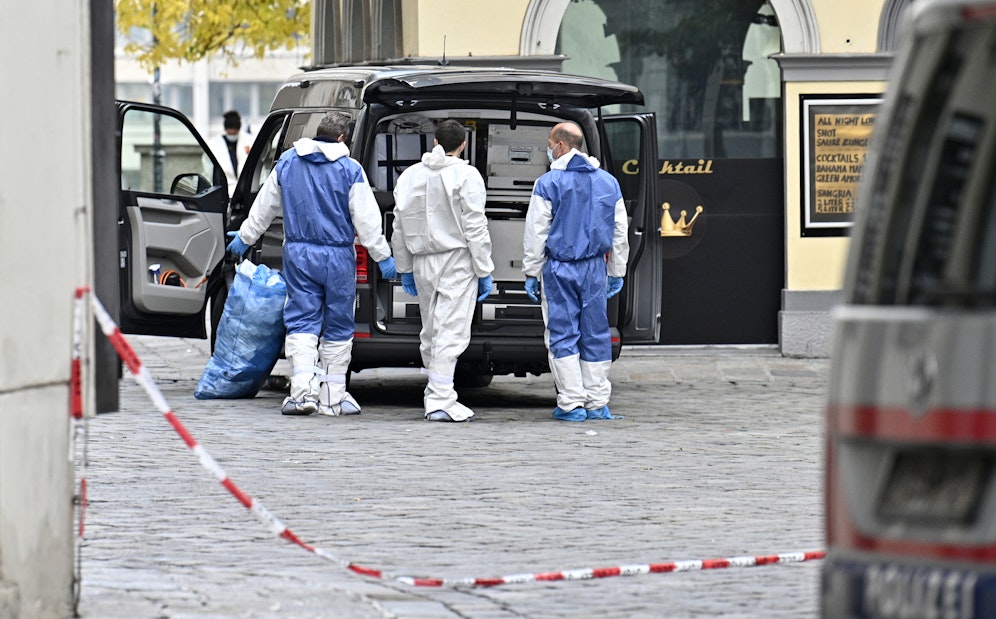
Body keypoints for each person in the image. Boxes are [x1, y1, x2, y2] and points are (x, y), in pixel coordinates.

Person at [227, 112, 397, 416]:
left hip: (299, 254)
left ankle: (302, 393)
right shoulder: (350, 170)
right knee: (339, 323)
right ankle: (333, 396)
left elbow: (264, 207)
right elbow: (367, 222)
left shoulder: (288, 163)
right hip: (338, 257)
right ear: (342, 138)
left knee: (302, 321)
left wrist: (245, 237)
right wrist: (383, 256)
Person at [522, 122, 629, 422]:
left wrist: (531, 271)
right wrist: (616, 270)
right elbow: (620, 232)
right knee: (595, 333)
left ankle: (571, 404)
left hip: (559, 269)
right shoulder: (608, 182)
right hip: (594, 268)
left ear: (560, 145)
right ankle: (596, 403)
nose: (548, 150)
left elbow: (536, 232)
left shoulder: (548, 183)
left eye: (549, 144)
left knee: (562, 334)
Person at [392, 119, 494, 422]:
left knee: (431, 330)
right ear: (463, 144)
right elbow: (475, 226)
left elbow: (399, 226)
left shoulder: (410, 175)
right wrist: (484, 268)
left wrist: (404, 267)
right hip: (457, 260)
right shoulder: (467, 175)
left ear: (435, 142)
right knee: (451, 329)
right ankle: (440, 398)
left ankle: (435, 392)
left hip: (423, 260)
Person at [207, 110, 254, 198]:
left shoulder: (250, 141)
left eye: (235, 133)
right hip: (224, 193)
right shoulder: (214, 145)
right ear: (225, 130)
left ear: (239, 129)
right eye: (230, 133)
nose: (232, 135)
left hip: (246, 192)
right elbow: (208, 172)